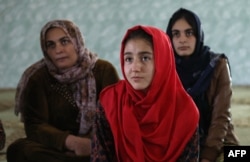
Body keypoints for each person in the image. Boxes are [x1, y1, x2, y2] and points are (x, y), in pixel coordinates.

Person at [6, 19, 119, 162]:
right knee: (19, 150)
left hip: (98, 144)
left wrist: (91, 142)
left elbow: (114, 117)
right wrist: (71, 142)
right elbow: (35, 125)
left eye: (65, 41)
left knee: (122, 146)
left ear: (77, 42)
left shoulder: (103, 70)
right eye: (50, 45)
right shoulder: (38, 78)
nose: (58, 50)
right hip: (59, 149)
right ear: (45, 50)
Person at [91, 25, 199, 161]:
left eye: (145, 58)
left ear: (163, 61)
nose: (135, 68)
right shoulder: (110, 102)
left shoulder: (185, 112)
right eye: (129, 59)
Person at [166, 8, 239, 162]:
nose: (182, 39)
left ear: (198, 35)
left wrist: (208, 155)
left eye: (189, 33)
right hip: (179, 144)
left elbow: (221, 116)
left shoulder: (217, 64)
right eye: (176, 34)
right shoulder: (165, 68)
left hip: (220, 141)